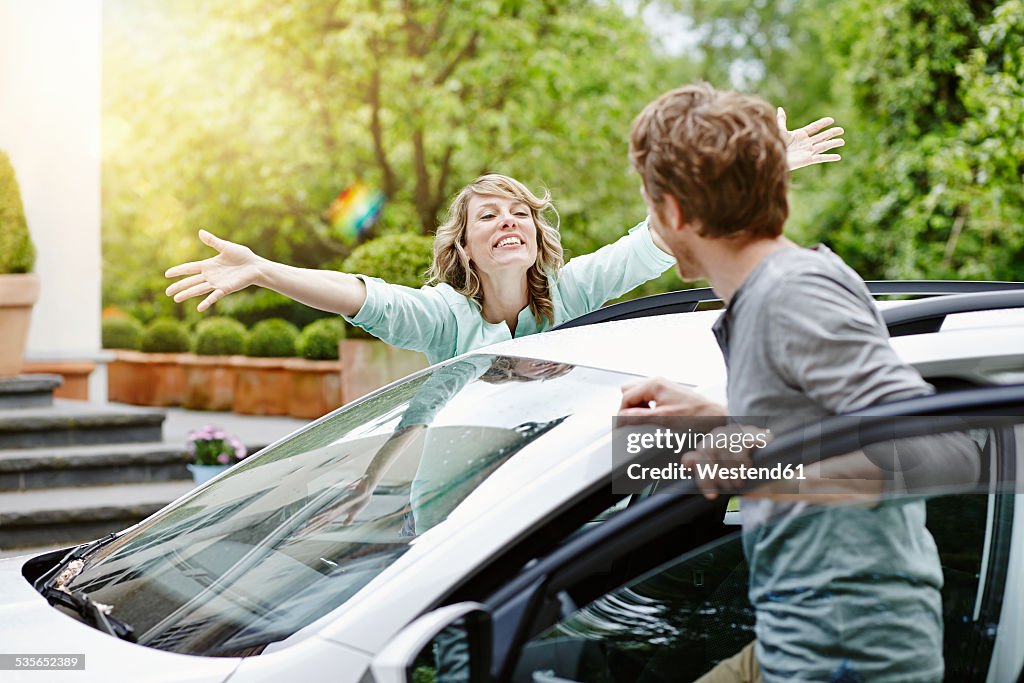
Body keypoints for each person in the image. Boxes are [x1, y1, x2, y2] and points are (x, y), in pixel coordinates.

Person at [618, 84, 978, 682]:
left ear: (676, 213)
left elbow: (944, 454)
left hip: (847, 656)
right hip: (796, 642)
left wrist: (755, 457)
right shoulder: (776, 293)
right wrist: (725, 418)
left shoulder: (793, 295)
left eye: (652, 204)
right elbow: (827, 429)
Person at [165, 116, 843, 364]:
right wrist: (263, 270)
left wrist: (763, 166)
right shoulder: (446, 317)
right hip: (465, 531)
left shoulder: (573, 291)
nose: (508, 221)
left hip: (555, 518)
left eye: (518, 210)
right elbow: (365, 297)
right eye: (487, 216)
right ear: (464, 248)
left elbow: (653, 239)